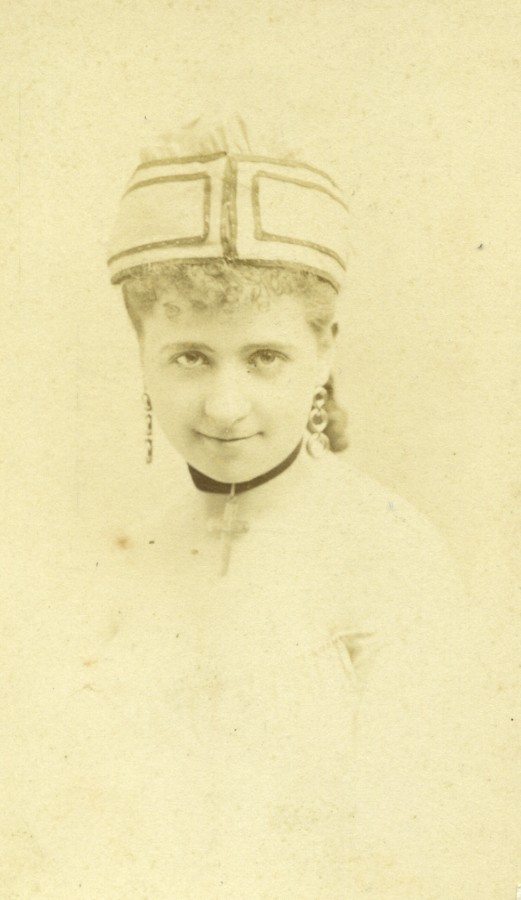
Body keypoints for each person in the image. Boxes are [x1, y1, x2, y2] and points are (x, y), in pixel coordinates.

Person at [10, 117, 500, 898]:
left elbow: (429, 858)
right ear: (141, 352)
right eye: (190, 357)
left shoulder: (392, 560)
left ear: (324, 349)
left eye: (265, 357)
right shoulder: (119, 559)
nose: (224, 405)